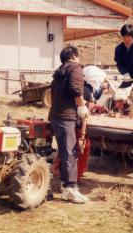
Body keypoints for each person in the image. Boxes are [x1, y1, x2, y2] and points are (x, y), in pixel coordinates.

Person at [48, 46, 89, 204]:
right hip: (66, 117)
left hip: (56, 115)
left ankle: (67, 184)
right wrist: (81, 105)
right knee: (69, 152)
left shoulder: (59, 72)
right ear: (73, 56)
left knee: (65, 151)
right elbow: (76, 88)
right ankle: (69, 188)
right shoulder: (75, 67)